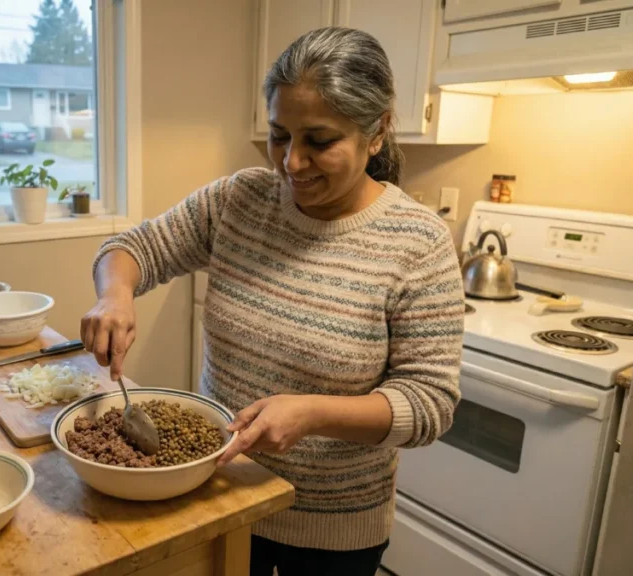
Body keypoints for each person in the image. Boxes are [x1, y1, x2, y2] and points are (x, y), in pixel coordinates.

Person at [81, 27, 464, 576]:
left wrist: (311, 413)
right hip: (220, 494)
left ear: (376, 132)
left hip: (332, 529)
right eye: (279, 135)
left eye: (319, 140)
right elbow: (131, 248)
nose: (291, 162)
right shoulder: (239, 199)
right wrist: (114, 296)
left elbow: (430, 404)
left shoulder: (419, 243)